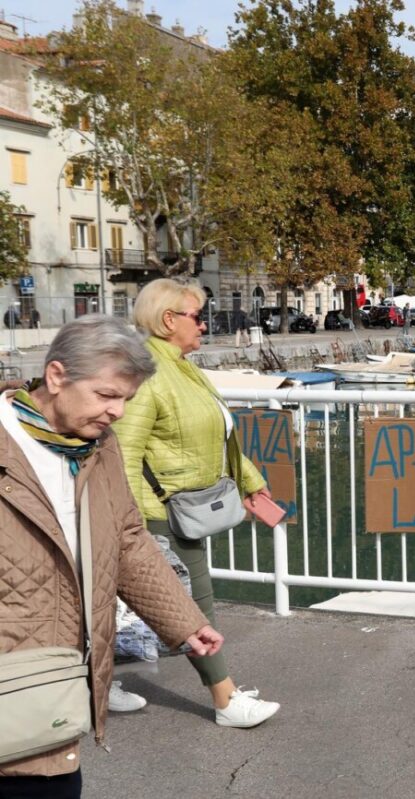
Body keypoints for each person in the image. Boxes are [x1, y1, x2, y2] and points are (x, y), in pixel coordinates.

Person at [0, 315, 225, 797]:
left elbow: (126, 538)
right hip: (13, 672)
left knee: (50, 782)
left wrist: (183, 621)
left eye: (126, 399)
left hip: (55, 690)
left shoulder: (99, 447)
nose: (117, 411)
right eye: (106, 395)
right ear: (57, 376)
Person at [112, 278, 280, 729]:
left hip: (186, 507)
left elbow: (217, 434)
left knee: (116, 604)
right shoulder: (147, 374)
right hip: (158, 513)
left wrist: (248, 478)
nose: (205, 325)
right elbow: (124, 454)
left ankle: (97, 684)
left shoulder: (184, 368)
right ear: (169, 320)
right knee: (196, 606)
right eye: (197, 316)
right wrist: (130, 525)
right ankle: (225, 700)